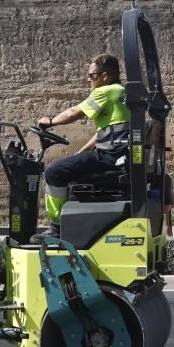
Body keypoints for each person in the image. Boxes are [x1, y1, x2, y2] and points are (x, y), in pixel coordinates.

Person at [37, 53, 132, 230]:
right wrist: (82, 151)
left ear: (105, 76)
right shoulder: (122, 93)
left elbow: (74, 112)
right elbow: (104, 133)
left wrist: (49, 122)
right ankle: (75, 222)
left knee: (53, 172)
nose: (89, 80)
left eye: (92, 76)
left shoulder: (106, 91)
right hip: (118, 156)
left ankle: (57, 228)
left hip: (109, 158)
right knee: (73, 166)